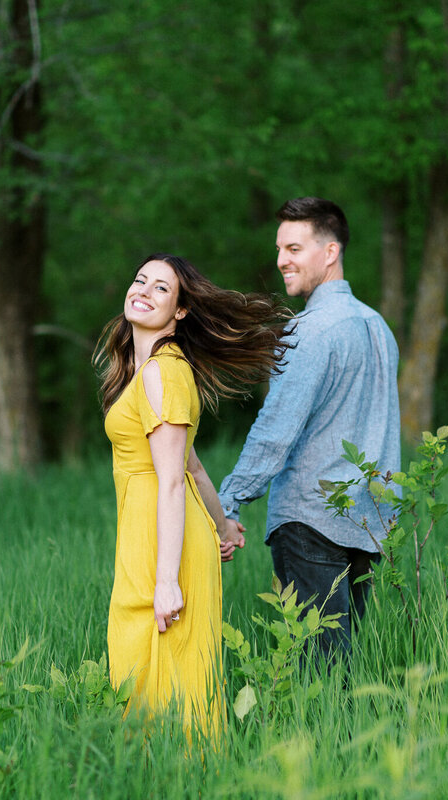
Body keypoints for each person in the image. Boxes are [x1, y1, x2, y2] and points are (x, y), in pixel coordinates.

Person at [95, 253, 289, 733]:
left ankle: (186, 771)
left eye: (162, 288)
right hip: (148, 532)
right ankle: (154, 772)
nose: (143, 290)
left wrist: (166, 581)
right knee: (141, 662)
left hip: (164, 541)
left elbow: (170, 483)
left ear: (181, 311)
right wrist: (223, 523)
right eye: (140, 279)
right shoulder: (145, 372)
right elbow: (193, 467)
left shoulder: (163, 371)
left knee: (169, 671)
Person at [217, 197, 401, 664]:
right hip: (367, 520)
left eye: (294, 248)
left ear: (330, 251)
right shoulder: (378, 328)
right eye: (280, 249)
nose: (281, 260)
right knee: (346, 662)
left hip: (309, 520)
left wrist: (227, 501)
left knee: (319, 670)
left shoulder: (308, 331)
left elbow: (275, 431)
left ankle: (320, 739)